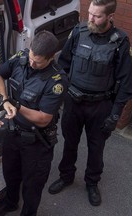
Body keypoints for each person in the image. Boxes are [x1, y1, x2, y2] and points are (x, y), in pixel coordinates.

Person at [48, 0, 132, 207]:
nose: (91, 19)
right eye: (90, 13)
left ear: (110, 16)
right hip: (73, 102)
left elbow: (126, 82)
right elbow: (63, 65)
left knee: (96, 148)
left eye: (97, 16)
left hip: (100, 106)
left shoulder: (121, 42)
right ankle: (66, 176)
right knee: (69, 142)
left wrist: (115, 114)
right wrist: (57, 98)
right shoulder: (79, 31)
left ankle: (92, 183)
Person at [0, 31, 69, 216]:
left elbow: (44, 118)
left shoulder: (57, 81)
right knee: (10, 173)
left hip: (36, 141)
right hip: (13, 132)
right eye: (32, 57)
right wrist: (4, 99)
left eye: (38, 61)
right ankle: (10, 202)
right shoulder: (21, 58)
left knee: (33, 184)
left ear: (51, 58)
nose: (32, 63)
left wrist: (17, 106)